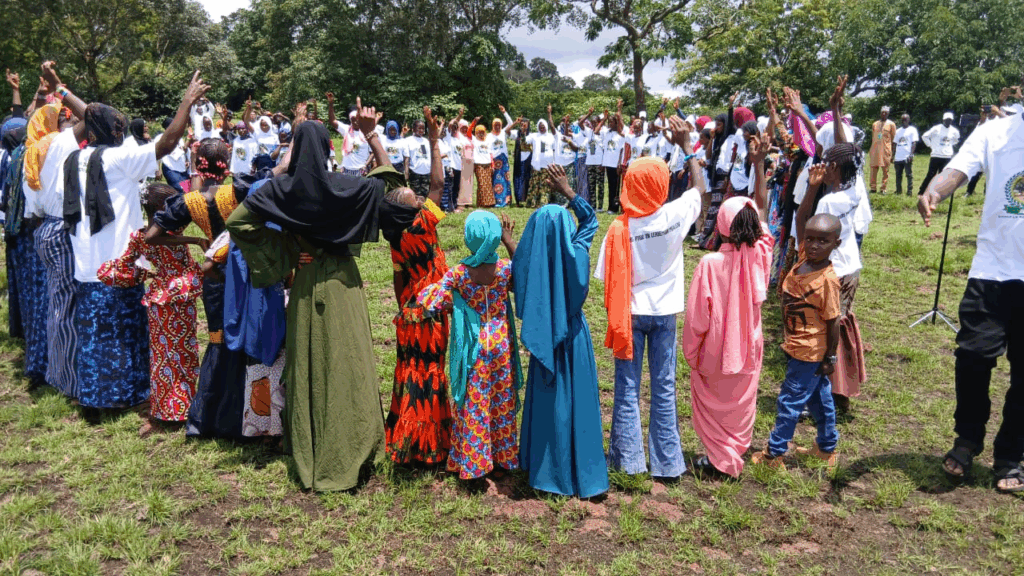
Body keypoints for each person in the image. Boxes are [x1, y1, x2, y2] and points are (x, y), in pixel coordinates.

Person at [228, 101, 420, 491]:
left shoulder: (281, 190)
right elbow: (399, 191)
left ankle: (311, 452)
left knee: (310, 366)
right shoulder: (349, 188)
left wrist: (283, 246)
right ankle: (354, 448)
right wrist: (370, 136)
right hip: (344, 286)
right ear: (331, 150)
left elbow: (237, 222)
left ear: (294, 147)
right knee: (347, 363)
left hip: (305, 284)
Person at [64, 71, 208, 413]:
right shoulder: (117, 159)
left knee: (93, 336)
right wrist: (186, 102)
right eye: (117, 125)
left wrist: (63, 91)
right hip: (118, 263)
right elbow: (167, 144)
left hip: (84, 263)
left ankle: (94, 397)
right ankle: (124, 397)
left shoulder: (74, 157)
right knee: (123, 334)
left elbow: (93, 116)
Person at [594, 116, 707, 479]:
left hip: (630, 315)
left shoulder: (618, 228)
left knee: (627, 388)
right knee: (664, 386)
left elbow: (604, 277)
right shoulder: (675, 215)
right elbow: (700, 189)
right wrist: (688, 147)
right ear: (660, 186)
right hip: (666, 315)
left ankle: (628, 462)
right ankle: (668, 463)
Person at [918, 110, 1024, 493]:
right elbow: (958, 170)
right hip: (992, 270)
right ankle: (967, 439)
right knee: (973, 359)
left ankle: (1011, 456)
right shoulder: (994, 132)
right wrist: (934, 191)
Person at [147, 136, 251, 438]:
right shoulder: (240, 191)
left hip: (215, 281)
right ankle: (248, 416)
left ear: (197, 165)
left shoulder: (190, 201)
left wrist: (193, 239)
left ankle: (208, 417)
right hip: (243, 276)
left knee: (218, 342)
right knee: (245, 340)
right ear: (227, 164)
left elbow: (152, 235)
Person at [515, 164, 608, 498]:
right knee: (578, 403)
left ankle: (545, 472)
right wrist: (569, 192)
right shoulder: (577, 252)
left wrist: (511, 240)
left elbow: (523, 266)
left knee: (548, 403)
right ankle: (582, 474)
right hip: (573, 335)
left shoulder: (534, 257)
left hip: (544, 335)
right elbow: (592, 222)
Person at [684, 134, 773, 478]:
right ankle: (732, 454)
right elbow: (760, 211)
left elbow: (697, 319)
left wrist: (692, 353)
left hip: (715, 352)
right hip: (748, 349)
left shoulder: (709, 264)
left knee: (715, 404)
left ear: (721, 226)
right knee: (741, 403)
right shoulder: (761, 257)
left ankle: (720, 460)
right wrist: (760, 165)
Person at [417, 210, 522, 480]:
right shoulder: (504, 270)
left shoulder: (460, 274)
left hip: (473, 348)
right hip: (501, 344)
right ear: (495, 238)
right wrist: (509, 241)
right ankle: (505, 457)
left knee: (475, 403)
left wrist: (458, 303)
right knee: (500, 401)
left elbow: (428, 301)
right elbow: (527, 273)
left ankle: (475, 464)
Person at [97, 183, 202, 433]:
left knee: (161, 356)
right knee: (184, 353)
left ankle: (165, 409)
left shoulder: (139, 236)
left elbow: (113, 270)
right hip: (181, 297)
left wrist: (142, 274)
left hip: (157, 298)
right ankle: (186, 406)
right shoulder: (176, 229)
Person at [384, 107, 452, 465]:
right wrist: (435, 141)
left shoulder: (397, 236)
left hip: (410, 310)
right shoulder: (423, 226)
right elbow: (438, 185)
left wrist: (402, 308)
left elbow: (398, 279)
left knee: (409, 373)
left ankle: (404, 438)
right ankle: (430, 445)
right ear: (413, 210)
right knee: (431, 375)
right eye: (413, 196)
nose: (417, 194)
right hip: (432, 309)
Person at [751, 212, 843, 471]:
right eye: (810, 239)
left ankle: (774, 454)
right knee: (820, 400)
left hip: (809, 351)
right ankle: (826, 448)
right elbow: (801, 219)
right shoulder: (805, 259)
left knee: (789, 400)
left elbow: (834, 320)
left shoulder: (826, 281)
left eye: (822, 241)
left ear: (836, 243)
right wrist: (812, 188)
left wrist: (830, 357)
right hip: (796, 345)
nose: (814, 245)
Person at [26, 63, 87, 399]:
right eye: (63, 116)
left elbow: (32, 206)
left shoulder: (34, 151)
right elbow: (92, 115)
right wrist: (59, 86)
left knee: (58, 305)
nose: (68, 120)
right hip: (61, 229)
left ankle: (57, 372)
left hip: (46, 228)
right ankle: (67, 382)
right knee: (66, 309)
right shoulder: (60, 142)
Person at [794, 141, 867, 412]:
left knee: (823, 333)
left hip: (831, 271)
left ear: (833, 167)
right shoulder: (855, 191)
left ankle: (821, 398)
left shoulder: (827, 201)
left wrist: (812, 187)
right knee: (840, 326)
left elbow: (806, 232)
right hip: (851, 267)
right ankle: (841, 393)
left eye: (826, 163)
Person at [326, 93, 370, 177]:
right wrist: (331, 104)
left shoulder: (366, 132)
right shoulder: (346, 130)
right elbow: (332, 121)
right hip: (346, 169)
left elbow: (372, 152)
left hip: (361, 170)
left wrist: (366, 165)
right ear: (350, 120)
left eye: (358, 119)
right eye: (353, 120)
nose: (356, 121)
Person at [918, 112, 961, 196]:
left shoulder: (954, 131)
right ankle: (922, 191)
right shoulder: (936, 128)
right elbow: (924, 136)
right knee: (931, 174)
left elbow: (956, 140)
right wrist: (930, 145)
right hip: (936, 155)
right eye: (946, 120)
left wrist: (949, 146)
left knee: (943, 177)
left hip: (947, 156)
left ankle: (939, 193)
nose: (948, 122)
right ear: (943, 120)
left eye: (950, 120)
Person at [525, 114, 555, 207]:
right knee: (535, 185)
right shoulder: (534, 136)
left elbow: (554, 149)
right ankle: (533, 202)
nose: (542, 128)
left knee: (545, 184)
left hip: (547, 165)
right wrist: (523, 130)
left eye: (543, 127)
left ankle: (543, 202)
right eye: (540, 127)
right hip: (536, 165)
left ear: (546, 126)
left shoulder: (551, 136)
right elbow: (525, 141)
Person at [489, 106, 516, 207]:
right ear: (492, 125)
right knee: (496, 181)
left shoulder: (504, 133)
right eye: (495, 125)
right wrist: (491, 162)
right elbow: (489, 150)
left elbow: (510, 123)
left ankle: (507, 201)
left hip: (504, 160)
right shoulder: (489, 136)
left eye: (499, 125)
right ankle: (498, 201)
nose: (497, 127)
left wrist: (504, 112)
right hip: (495, 161)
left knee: (506, 179)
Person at [869, 106, 896, 194]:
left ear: (888, 114)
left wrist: (893, 153)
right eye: (882, 112)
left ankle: (883, 189)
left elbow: (893, 139)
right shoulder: (875, 124)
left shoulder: (891, 124)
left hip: (885, 150)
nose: (884, 114)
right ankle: (873, 188)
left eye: (886, 112)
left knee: (885, 170)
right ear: (880, 113)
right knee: (873, 169)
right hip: (875, 150)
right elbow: (874, 137)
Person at [404, 120, 431, 198]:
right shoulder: (408, 140)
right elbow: (407, 157)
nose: (421, 130)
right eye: (419, 128)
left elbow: (426, 155)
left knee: (424, 194)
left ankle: (423, 210)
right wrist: (406, 173)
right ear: (413, 129)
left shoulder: (425, 141)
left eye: (423, 128)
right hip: (414, 171)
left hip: (426, 171)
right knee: (415, 195)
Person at [893, 114, 919, 196]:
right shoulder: (898, 131)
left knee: (909, 175)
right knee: (898, 175)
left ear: (908, 120)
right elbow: (894, 143)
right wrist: (892, 155)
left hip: (907, 156)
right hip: (898, 157)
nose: (904, 121)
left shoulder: (912, 130)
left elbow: (914, 143)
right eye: (902, 119)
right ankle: (898, 191)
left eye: (905, 119)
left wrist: (911, 154)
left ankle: (909, 192)